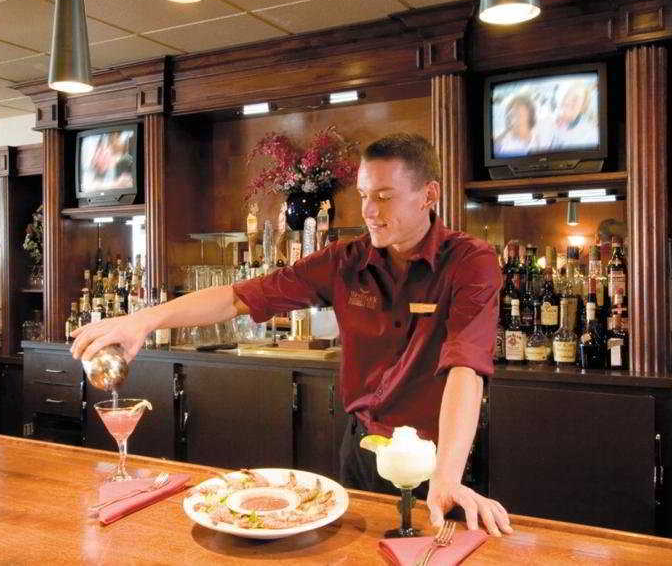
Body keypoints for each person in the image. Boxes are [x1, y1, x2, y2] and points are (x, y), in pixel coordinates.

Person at [71, 133, 512, 537]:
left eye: (384, 196)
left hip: (440, 453)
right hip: (363, 447)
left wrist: (448, 475)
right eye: (363, 196)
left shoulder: (470, 261)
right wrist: (142, 321)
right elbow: (237, 298)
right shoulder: (344, 261)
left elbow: (465, 368)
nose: (370, 211)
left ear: (428, 194)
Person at [550, 82, 598, 150]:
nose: (569, 101)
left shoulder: (589, 134)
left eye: (576, 99)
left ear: (583, 106)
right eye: (568, 95)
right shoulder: (551, 123)